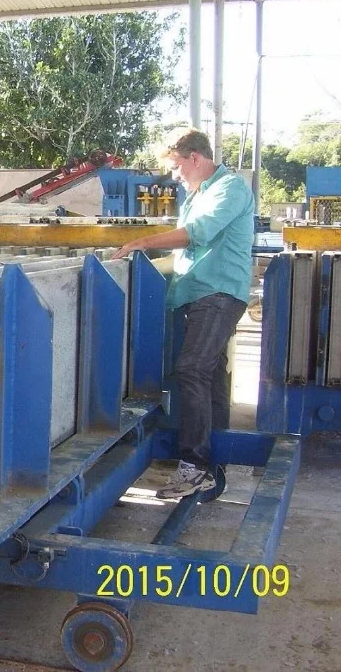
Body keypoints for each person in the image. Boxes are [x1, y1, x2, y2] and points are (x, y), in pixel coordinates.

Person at [112, 128, 254, 499]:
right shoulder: (197, 195)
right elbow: (183, 257)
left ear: (195, 157)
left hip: (218, 293)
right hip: (199, 293)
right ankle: (215, 453)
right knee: (208, 371)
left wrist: (141, 241)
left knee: (191, 368)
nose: (175, 176)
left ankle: (196, 465)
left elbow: (199, 234)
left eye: (177, 168)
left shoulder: (229, 189)